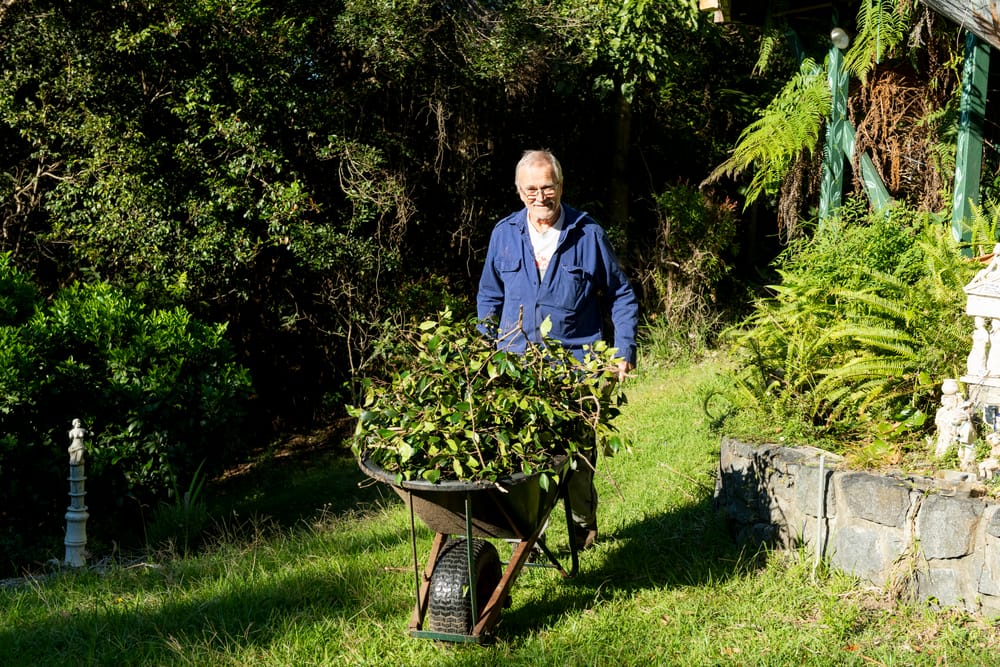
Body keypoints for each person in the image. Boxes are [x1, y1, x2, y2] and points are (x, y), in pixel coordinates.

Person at [477, 149, 639, 550]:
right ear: (519, 191)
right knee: (523, 456)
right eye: (531, 189)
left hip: (577, 368)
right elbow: (489, 297)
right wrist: (484, 352)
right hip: (517, 368)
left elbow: (621, 295)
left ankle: (583, 529)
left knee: (578, 459)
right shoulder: (504, 234)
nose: (540, 196)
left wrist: (623, 349)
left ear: (561, 186)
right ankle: (530, 538)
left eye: (547, 187)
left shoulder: (587, 235)